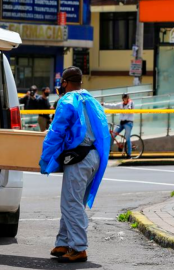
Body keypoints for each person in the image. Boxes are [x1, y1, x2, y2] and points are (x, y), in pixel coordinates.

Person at [39, 67, 110, 263]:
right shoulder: (91, 100)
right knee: (74, 202)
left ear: (65, 82)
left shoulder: (67, 101)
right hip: (94, 156)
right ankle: (63, 243)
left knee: (70, 204)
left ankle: (79, 248)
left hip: (79, 158)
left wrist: (46, 159)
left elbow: (56, 132)